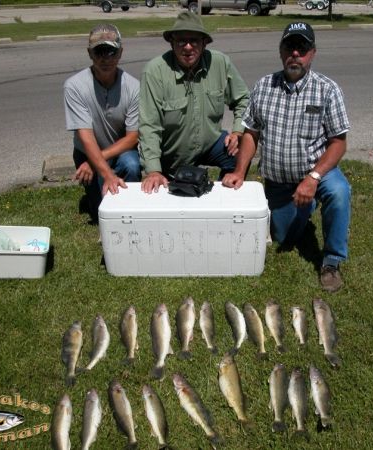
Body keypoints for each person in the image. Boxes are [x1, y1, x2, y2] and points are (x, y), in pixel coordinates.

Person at [222, 22, 351, 293]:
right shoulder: (263, 86)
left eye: (302, 48)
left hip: (317, 172)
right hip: (279, 183)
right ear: (280, 51)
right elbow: (251, 133)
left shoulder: (328, 89)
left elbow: (338, 143)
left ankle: (331, 261)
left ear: (312, 53)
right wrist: (240, 171)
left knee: (339, 192)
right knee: (284, 238)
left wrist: (313, 178)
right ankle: (303, 207)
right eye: (289, 47)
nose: (295, 53)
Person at [138, 11, 250, 193]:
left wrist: (237, 132)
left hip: (210, 142)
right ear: (171, 43)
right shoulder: (154, 71)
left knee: (240, 153)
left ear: (204, 43)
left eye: (194, 41)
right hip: (171, 153)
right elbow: (149, 125)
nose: (188, 47)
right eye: (181, 41)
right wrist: (153, 171)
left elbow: (243, 99)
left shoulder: (220, 63)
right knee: (167, 193)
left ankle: (224, 198)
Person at [64, 23, 141, 222]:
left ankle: (129, 210)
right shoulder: (74, 86)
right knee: (98, 213)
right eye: (99, 52)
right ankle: (98, 200)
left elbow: (133, 137)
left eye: (111, 52)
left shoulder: (134, 87)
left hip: (121, 150)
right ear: (90, 53)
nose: (105, 58)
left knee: (132, 165)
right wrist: (104, 171)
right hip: (87, 151)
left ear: (120, 53)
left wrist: (95, 162)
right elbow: (86, 136)